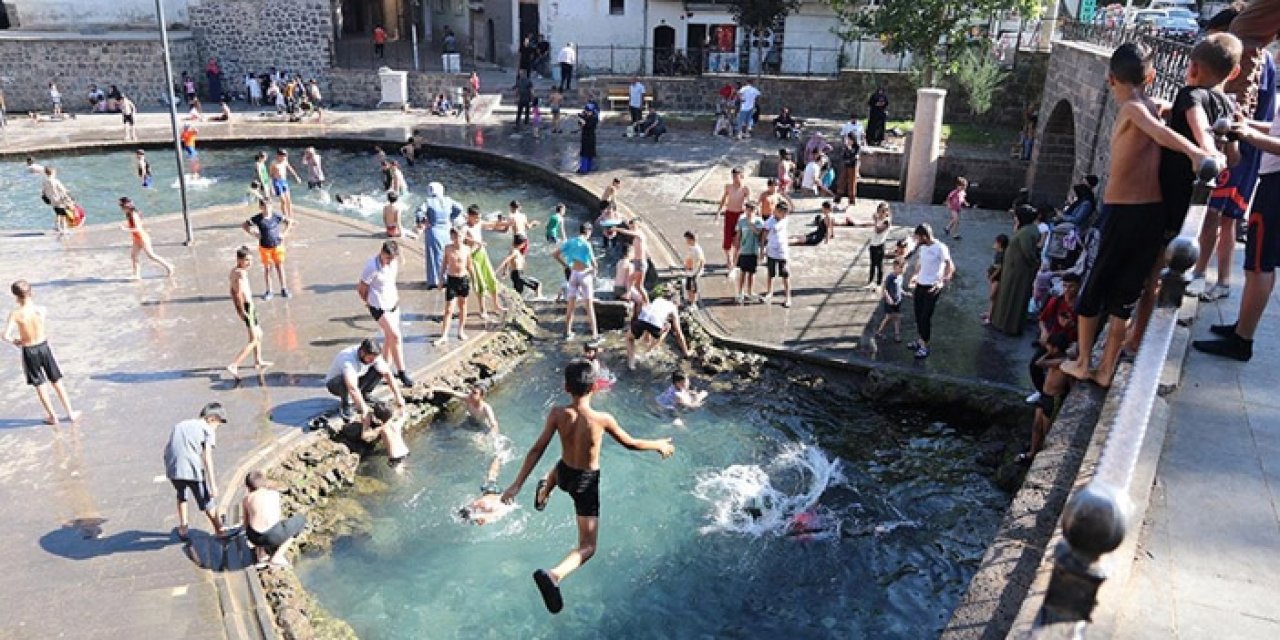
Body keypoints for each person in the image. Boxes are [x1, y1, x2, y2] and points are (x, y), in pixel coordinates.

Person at [1060, 43, 1219, 387]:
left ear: (1110, 79)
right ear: (1152, 77)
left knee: (1093, 289)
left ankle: (1085, 362)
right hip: (1153, 215)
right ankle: (1106, 370)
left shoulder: (1132, 108)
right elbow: (1160, 122)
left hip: (1120, 213)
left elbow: (1160, 131)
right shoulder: (1151, 105)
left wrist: (1195, 152)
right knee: (1126, 293)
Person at [499, 359, 675, 614]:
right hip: (585, 483)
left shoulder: (557, 413)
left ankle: (545, 488)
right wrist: (657, 444)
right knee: (588, 546)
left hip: (565, 473)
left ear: (565, 387)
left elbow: (537, 449)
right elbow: (631, 443)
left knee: (560, 468)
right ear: (595, 387)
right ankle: (554, 575)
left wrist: (515, 485)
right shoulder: (602, 419)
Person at [1124, 33, 1242, 356]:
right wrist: (1218, 150)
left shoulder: (1190, 95)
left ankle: (1136, 341)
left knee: (1155, 273)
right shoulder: (1228, 104)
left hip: (1169, 199)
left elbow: (1196, 119)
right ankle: (1142, 333)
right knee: (1167, 269)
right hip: (1193, 200)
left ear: (1191, 68)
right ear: (1232, 74)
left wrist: (1204, 151)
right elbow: (1234, 157)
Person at [1195, 9, 1275, 302]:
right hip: (1251, 148)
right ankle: (1223, 280)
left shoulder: (1246, 58)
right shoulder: (1262, 57)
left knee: (1212, 214)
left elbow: (1237, 105)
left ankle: (1199, 274)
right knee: (1227, 218)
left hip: (1238, 147)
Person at [1194, 94, 1280, 361]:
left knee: (1259, 264)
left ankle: (1243, 341)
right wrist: (1248, 126)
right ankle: (1242, 327)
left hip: (1277, 187)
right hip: (1272, 183)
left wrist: (1249, 136)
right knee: (1260, 262)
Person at [5, 280, 80, 425]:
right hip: (44, 346)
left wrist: (16, 341)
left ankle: (53, 416)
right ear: (31, 292)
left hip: (29, 349)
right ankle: (70, 412)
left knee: (40, 384)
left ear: (15, 296)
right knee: (57, 381)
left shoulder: (15, 314)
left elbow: (5, 336)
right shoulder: (41, 309)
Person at [164, 403, 231, 541]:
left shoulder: (181, 425)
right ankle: (220, 531)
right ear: (211, 418)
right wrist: (213, 485)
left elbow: (170, 445)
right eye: (218, 424)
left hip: (173, 468)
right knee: (207, 501)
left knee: (181, 495)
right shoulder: (208, 430)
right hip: (192, 470)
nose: (217, 428)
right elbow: (207, 457)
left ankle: (183, 528)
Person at [359, 241, 413, 387]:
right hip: (378, 306)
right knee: (395, 335)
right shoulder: (372, 267)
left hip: (393, 304)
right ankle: (402, 372)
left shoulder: (394, 263)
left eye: (392, 258)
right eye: (387, 258)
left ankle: (381, 369)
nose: (389, 261)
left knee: (389, 339)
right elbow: (362, 288)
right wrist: (368, 302)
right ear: (382, 253)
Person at [1027, 273, 1081, 404]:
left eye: (1071, 287)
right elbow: (1042, 319)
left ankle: (1061, 398)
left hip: (1071, 343)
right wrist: (1044, 333)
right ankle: (1042, 391)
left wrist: (1073, 326)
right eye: (1065, 286)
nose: (1067, 290)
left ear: (1078, 287)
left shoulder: (1081, 307)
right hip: (1054, 341)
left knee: (1066, 373)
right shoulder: (1056, 301)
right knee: (1035, 365)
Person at [1020, 332, 1074, 463]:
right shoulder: (1056, 359)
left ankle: (1042, 456)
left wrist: (1047, 352)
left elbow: (1038, 363)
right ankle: (1032, 452)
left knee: (1047, 431)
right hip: (1044, 396)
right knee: (1036, 426)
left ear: (1055, 348)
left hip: (1053, 399)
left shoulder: (1061, 362)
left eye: (1049, 346)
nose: (1047, 348)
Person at [905, 223, 955, 359]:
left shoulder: (940, 248)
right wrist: (914, 276)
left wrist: (942, 282)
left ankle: (925, 347)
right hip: (920, 284)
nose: (917, 240)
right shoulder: (922, 248)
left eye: (918, 238)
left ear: (925, 237)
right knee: (918, 314)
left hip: (932, 287)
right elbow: (920, 264)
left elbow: (950, 266)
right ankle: (920, 340)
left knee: (925, 317)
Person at [990, 206, 1042, 335]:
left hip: (1017, 272)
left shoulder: (1026, 232)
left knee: (1012, 296)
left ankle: (1007, 324)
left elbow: (1028, 252)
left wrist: (1034, 263)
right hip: (1014, 269)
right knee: (1009, 295)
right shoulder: (1028, 230)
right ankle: (1001, 322)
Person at [324, 338, 405, 420]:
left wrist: (398, 397)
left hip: (358, 377)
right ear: (362, 353)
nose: (372, 361)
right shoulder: (348, 359)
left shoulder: (374, 355)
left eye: (374, 359)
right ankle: (345, 404)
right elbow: (352, 387)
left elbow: (387, 374)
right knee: (344, 380)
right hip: (335, 384)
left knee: (379, 369)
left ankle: (365, 394)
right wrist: (364, 409)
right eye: (370, 359)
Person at [225, 247, 272, 380]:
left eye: (251, 260)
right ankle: (234, 364)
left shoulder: (233, 272)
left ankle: (258, 360)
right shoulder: (241, 274)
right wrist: (241, 310)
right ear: (239, 260)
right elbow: (238, 293)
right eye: (246, 260)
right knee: (254, 339)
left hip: (248, 306)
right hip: (247, 307)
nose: (249, 263)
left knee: (260, 334)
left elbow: (231, 291)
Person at [241, 470, 306, 566]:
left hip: (254, 538)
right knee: (301, 520)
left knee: (256, 524)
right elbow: (276, 518)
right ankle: (277, 556)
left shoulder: (246, 499)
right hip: (273, 536)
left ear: (248, 487)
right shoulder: (274, 494)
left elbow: (246, 523)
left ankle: (261, 554)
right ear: (264, 482)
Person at [554, 223, 599, 340]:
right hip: (584, 275)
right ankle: (595, 335)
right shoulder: (587, 244)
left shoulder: (570, 242)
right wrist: (593, 272)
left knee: (571, 305)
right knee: (589, 307)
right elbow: (595, 265)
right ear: (588, 231)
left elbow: (555, 254)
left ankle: (567, 332)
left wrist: (566, 265)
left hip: (573, 274)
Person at [416, 182, 464, 289]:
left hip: (434, 230)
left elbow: (420, 212)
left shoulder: (428, 201)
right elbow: (460, 208)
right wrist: (451, 217)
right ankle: (448, 278)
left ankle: (435, 281)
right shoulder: (448, 200)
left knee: (434, 256)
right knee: (446, 255)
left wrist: (423, 221)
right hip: (447, 230)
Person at [626, 289, 691, 370]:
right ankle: (649, 351)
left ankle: (631, 364)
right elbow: (678, 333)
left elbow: (649, 315)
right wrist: (686, 352)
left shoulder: (658, 299)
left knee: (629, 338)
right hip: (655, 324)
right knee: (668, 326)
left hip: (642, 319)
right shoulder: (673, 308)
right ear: (677, 303)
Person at [242, 198, 294, 299]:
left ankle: (284, 288)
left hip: (277, 246)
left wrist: (284, 234)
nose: (267, 209)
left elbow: (289, 222)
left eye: (269, 207)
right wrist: (254, 234)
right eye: (265, 207)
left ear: (272, 206)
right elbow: (244, 225)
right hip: (265, 247)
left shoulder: (276, 216)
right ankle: (269, 291)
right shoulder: (257, 218)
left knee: (280, 267)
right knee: (268, 269)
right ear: (260, 207)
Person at [462, 205, 506, 318]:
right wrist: (476, 242)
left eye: (478, 217)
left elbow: (491, 225)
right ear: (469, 216)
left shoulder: (479, 223)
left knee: (492, 279)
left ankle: (496, 305)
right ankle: (483, 310)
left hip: (482, 253)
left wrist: (505, 223)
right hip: (472, 256)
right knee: (480, 283)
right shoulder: (465, 228)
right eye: (475, 217)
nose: (477, 219)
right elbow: (460, 237)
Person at [434, 228, 476, 345]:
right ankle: (444, 335)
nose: (458, 239)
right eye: (456, 237)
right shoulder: (448, 248)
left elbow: (470, 266)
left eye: (460, 236)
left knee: (463, 306)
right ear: (452, 237)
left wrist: (475, 280)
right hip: (451, 279)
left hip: (463, 279)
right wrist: (441, 279)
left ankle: (461, 331)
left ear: (463, 237)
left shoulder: (467, 249)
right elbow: (443, 265)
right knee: (448, 309)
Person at [119, 198, 176, 279]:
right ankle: (136, 275)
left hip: (142, 238)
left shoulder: (133, 215)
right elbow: (135, 225)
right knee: (134, 256)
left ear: (126, 206)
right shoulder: (129, 214)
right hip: (136, 239)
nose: (121, 209)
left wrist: (125, 229)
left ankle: (169, 266)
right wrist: (127, 226)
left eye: (121, 206)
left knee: (151, 255)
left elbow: (138, 228)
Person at [715, 167, 751, 269]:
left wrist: (749, 216)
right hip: (729, 214)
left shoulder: (745, 189)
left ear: (742, 176)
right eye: (734, 176)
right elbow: (723, 199)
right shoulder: (728, 187)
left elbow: (749, 203)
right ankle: (729, 260)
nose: (735, 178)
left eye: (737, 176)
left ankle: (734, 262)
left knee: (737, 240)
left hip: (739, 215)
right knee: (727, 239)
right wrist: (718, 211)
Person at [763, 200, 794, 308]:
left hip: (782, 251)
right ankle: (769, 292)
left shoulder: (785, 219)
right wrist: (762, 249)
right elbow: (764, 236)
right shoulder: (769, 222)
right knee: (771, 273)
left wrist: (785, 196)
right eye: (782, 212)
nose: (784, 215)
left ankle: (788, 297)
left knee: (785, 274)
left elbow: (792, 207)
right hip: (771, 250)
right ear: (776, 211)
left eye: (785, 213)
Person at [363, 401, 410, 470]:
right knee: (404, 468)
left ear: (377, 418)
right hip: (405, 452)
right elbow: (404, 414)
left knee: (400, 474)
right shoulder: (397, 424)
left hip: (395, 457)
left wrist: (366, 422)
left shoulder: (381, 429)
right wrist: (398, 409)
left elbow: (364, 436)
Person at [734, 201, 764, 304]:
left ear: (755, 211)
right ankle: (740, 292)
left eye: (751, 210)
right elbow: (738, 236)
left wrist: (751, 224)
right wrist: (737, 250)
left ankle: (750, 291)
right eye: (747, 209)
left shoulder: (759, 221)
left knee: (752, 273)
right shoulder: (741, 221)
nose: (749, 212)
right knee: (743, 272)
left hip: (754, 250)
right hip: (744, 250)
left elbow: (759, 234)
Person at [498, 234, 542, 300]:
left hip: (517, 274)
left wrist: (505, 271)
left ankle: (512, 301)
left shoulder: (516, 251)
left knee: (518, 292)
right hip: (518, 274)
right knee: (537, 284)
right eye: (524, 244)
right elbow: (507, 260)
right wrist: (501, 271)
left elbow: (509, 262)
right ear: (522, 244)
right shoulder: (515, 251)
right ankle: (538, 300)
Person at [875, 259, 905, 342]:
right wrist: (888, 297)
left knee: (897, 317)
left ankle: (897, 335)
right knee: (889, 317)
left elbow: (899, 288)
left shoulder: (901, 277)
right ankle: (879, 331)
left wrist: (905, 293)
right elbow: (884, 288)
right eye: (901, 268)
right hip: (890, 301)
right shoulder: (890, 277)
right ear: (895, 267)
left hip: (897, 300)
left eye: (903, 267)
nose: (902, 270)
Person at [982, 234, 1009, 325]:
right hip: (994, 277)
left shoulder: (1002, 255)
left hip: (997, 278)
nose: (994, 244)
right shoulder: (998, 253)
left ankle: (990, 317)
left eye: (996, 243)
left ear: (1000, 244)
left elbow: (999, 268)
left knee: (993, 296)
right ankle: (989, 313)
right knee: (992, 297)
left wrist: (992, 276)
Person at [41, 166, 74, 237]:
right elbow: (63, 190)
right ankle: (64, 230)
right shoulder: (56, 181)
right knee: (63, 215)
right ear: (53, 173)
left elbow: (43, 192)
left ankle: (57, 227)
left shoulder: (44, 182)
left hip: (52, 200)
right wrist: (70, 196)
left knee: (58, 213)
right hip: (59, 200)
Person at [269, 149, 302, 219]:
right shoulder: (273, 163)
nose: (284, 157)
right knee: (283, 201)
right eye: (283, 156)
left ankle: (291, 216)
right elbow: (271, 175)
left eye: (285, 156)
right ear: (278, 155)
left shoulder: (285, 161)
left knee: (289, 201)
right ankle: (285, 217)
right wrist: (271, 187)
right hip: (277, 182)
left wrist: (296, 177)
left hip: (284, 181)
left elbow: (290, 169)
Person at [867, 202, 892, 287]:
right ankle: (870, 281)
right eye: (880, 211)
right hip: (873, 244)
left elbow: (878, 231)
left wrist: (875, 220)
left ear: (887, 212)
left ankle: (879, 283)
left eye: (883, 211)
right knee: (872, 264)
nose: (881, 213)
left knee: (879, 265)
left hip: (880, 245)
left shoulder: (886, 221)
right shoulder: (878, 219)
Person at [681, 231, 706, 307]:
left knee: (693, 287)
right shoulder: (690, 247)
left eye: (687, 240)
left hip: (694, 271)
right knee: (688, 286)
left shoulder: (697, 249)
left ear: (692, 240)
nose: (686, 242)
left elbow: (702, 261)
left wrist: (698, 272)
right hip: (689, 270)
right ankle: (689, 300)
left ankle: (693, 301)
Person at [837, 133, 861, 204]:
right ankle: (838, 198)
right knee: (842, 181)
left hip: (853, 166)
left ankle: (851, 200)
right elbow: (843, 156)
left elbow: (855, 157)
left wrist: (850, 150)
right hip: (846, 165)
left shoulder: (857, 147)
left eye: (849, 139)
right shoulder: (845, 147)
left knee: (852, 183)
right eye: (847, 139)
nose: (848, 141)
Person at [578, 101, 600, 174]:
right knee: (585, 153)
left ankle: (585, 168)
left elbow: (589, 126)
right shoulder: (586, 116)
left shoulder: (594, 118)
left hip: (590, 137)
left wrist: (584, 123)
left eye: (588, 111)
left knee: (587, 154)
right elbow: (581, 125)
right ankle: (585, 167)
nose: (587, 112)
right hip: (585, 137)